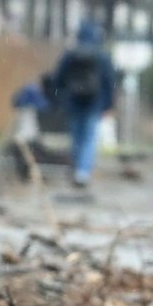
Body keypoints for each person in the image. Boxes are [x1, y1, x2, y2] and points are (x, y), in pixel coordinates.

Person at [50, 21, 116, 187]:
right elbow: (109, 82)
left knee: (76, 138)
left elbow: (58, 79)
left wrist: (58, 99)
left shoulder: (70, 55)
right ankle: (83, 171)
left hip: (73, 102)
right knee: (89, 138)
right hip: (94, 103)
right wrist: (108, 105)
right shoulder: (102, 56)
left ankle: (76, 166)